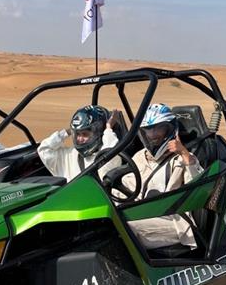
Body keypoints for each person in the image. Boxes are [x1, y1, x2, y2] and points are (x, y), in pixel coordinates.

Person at [121, 103, 203, 250]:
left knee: (124, 229)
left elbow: (200, 187)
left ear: (170, 129)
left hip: (174, 221)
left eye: (158, 128)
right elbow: (129, 186)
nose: (152, 134)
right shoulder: (139, 157)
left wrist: (184, 153)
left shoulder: (183, 158)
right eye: (148, 129)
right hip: (142, 213)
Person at [38, 105, 121, 182]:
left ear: (98, 132)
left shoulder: (104, 157)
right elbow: (44, 149)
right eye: (77, 134)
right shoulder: (68, 155)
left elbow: (111, 154)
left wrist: (108, 129)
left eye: (85, 134)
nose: (80, 139)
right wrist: (69, 131)